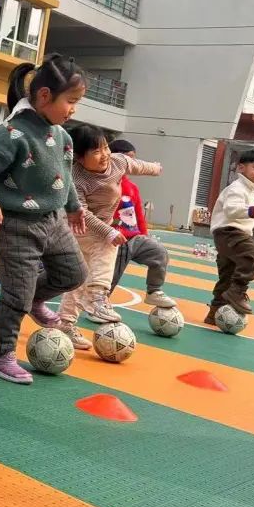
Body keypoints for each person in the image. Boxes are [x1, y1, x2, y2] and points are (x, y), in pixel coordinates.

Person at [0, 54, 89, 385]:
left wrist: (74, 206)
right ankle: (0, 354)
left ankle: (34, 298)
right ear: (46, 95)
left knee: (74, 272)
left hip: (53, 220)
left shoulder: (62, 136)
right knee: (15, 295)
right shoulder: (11, 132)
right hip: (17, 226)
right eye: (71, 101)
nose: (73, 109)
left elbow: (64, 177)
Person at [55, 125, 162, 349]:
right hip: (79, 225)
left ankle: (65, 323)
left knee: (79, 277)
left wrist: (155, 168)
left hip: (101, 225)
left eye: (105, 147)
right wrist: (109, 231)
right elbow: (81, 212)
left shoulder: (117, 162)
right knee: (108, 245)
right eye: (95, 151)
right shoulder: (76, 178)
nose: (104, 154)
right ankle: (97, 295)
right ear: (79, 157)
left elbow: (137, 165)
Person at [107, 138, 176, 309]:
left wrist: (144, 236)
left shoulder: (132, 188)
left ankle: (154, 291)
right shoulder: (105, 183)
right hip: (114, 238)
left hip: (134, 238)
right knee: (111, 274)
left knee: (159, 252)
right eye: (127, 158)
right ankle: (100, 301)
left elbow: (138, 214)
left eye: (133, 159)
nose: (131, 163)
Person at [207, 149, 254, 322]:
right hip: (228, 232)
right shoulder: (237, 188)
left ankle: (215, 312)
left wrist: (253, 215)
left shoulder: (250, 191)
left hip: (232, 235)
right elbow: (231, 210)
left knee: (227, 274)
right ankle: (236, 291)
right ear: (241, 168)